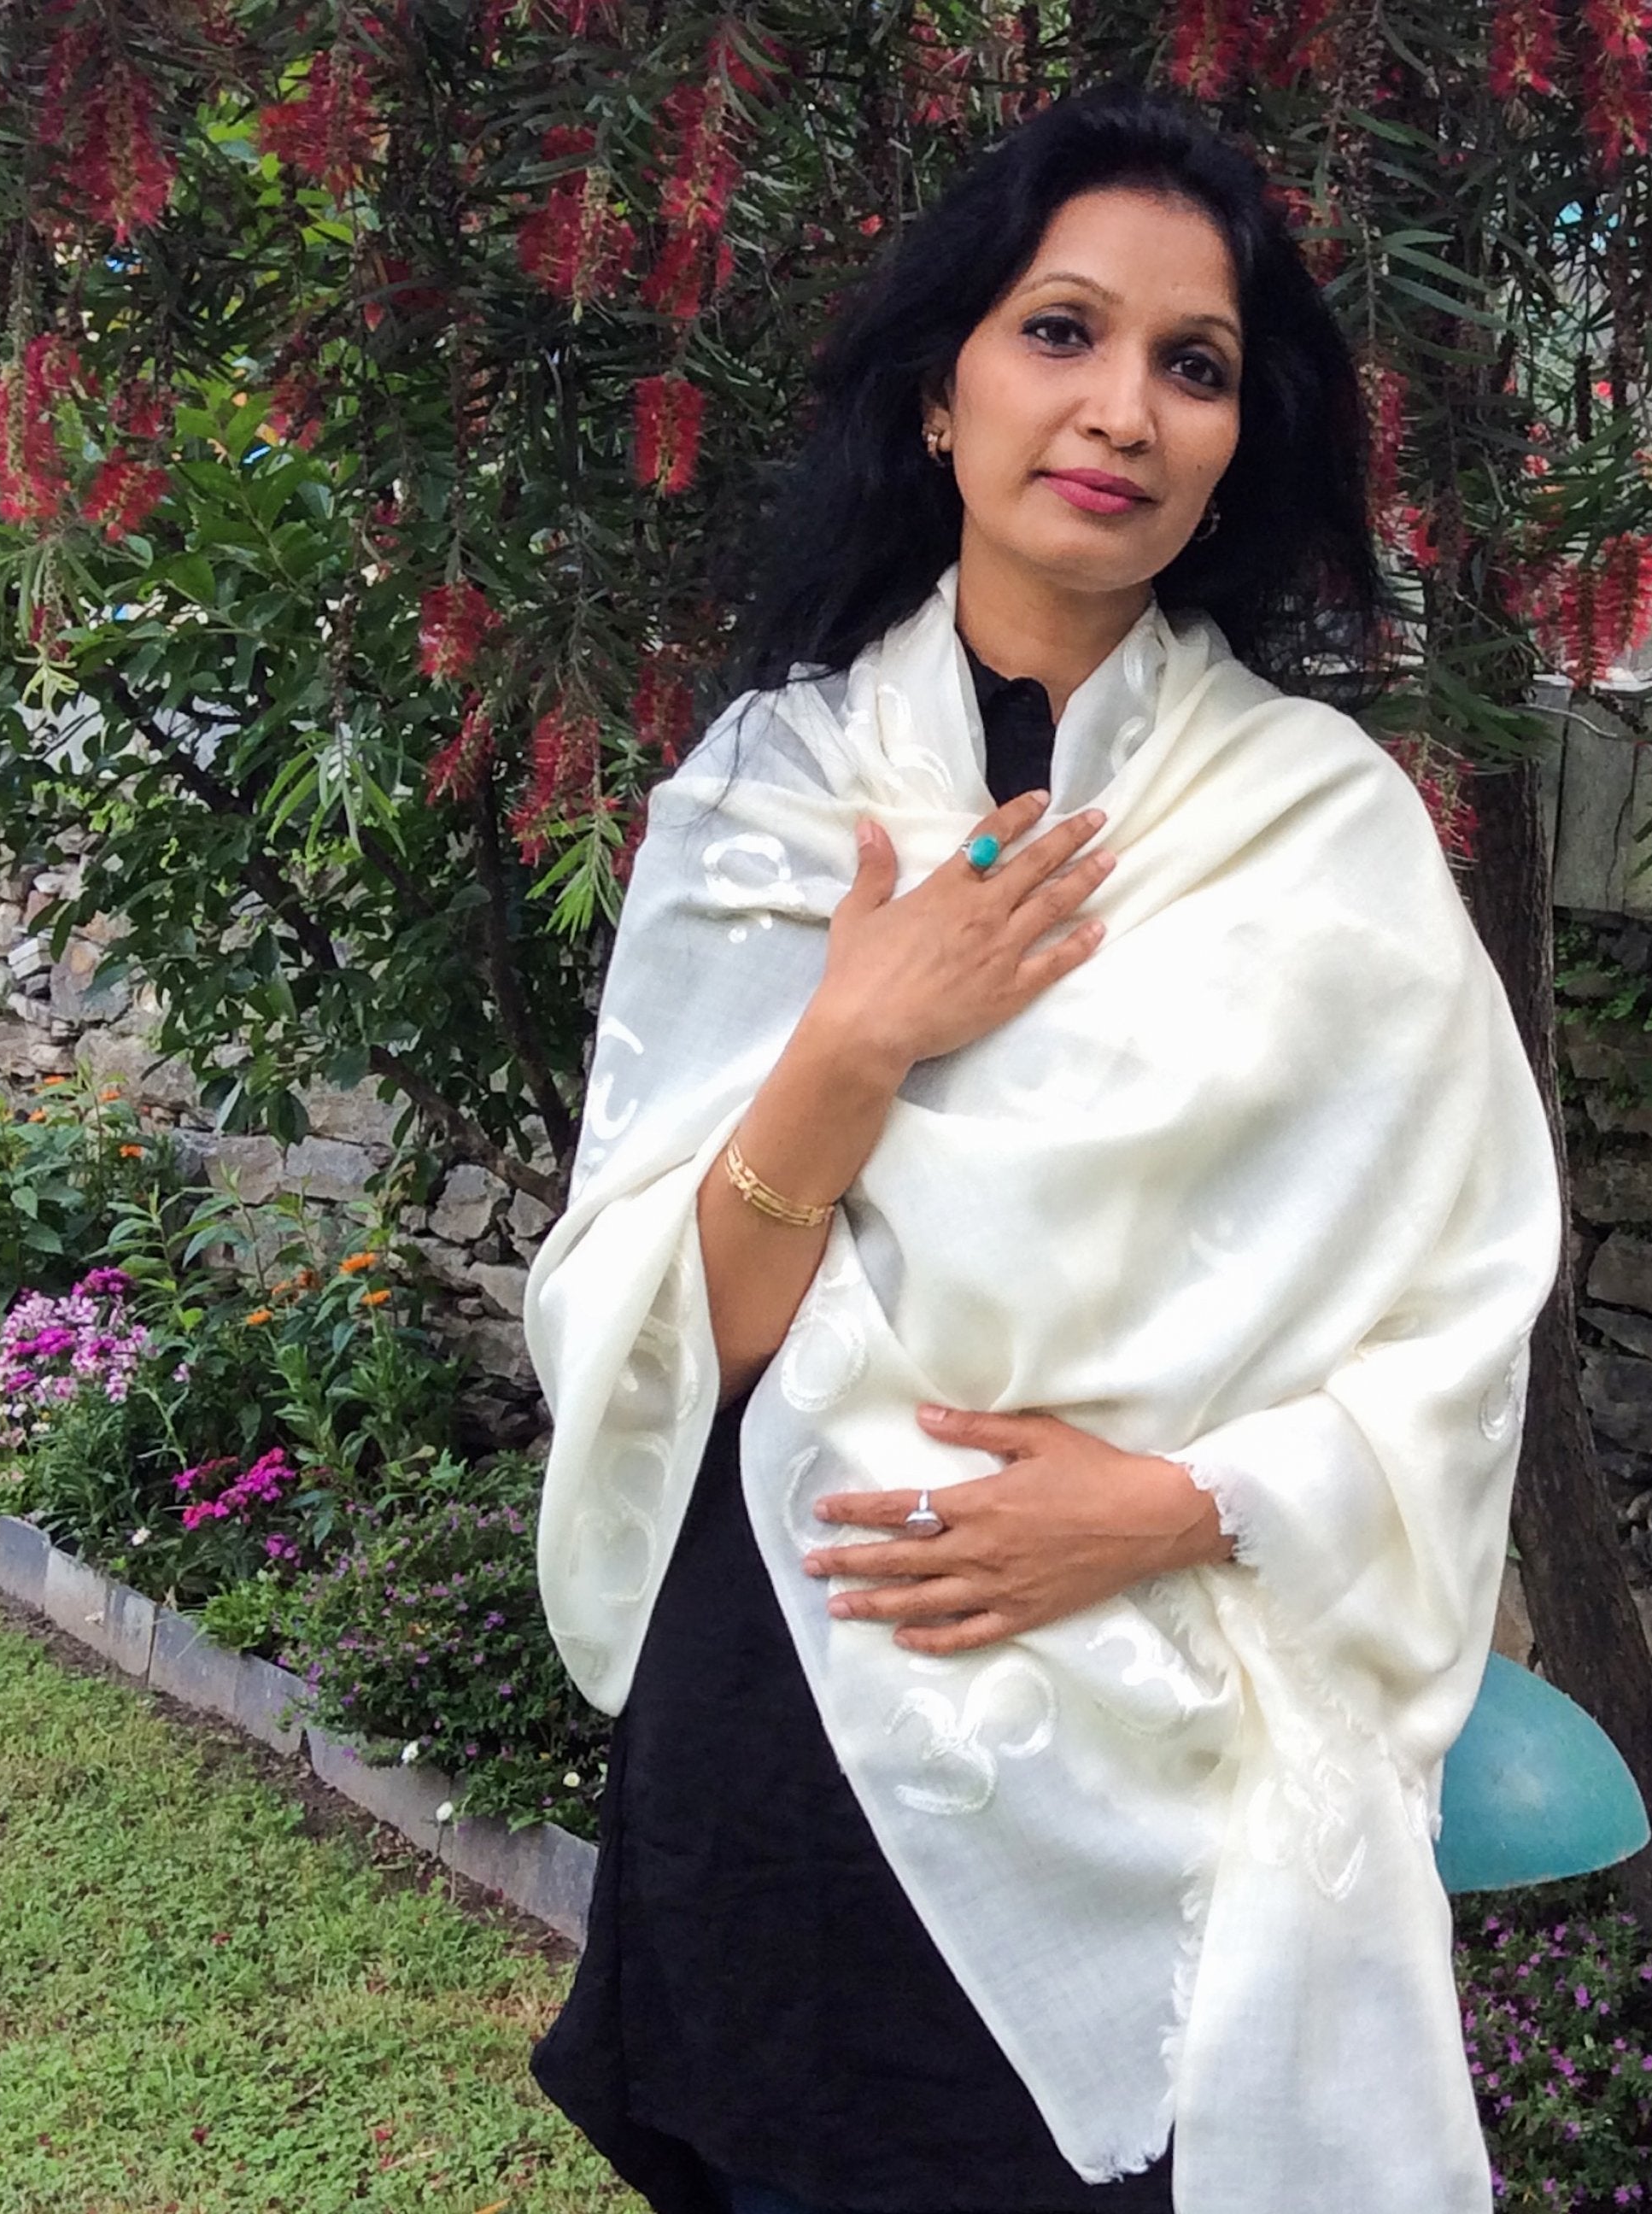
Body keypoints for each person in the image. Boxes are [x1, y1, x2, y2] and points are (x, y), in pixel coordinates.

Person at [521, 83, 1561, 2214]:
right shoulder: (772, 797)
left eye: (1192, 367)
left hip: (1170, 1740)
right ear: (940, 391)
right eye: (1061, 331)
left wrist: (1182, 1503)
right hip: (795, 1701)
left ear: (1233, 445)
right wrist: (858, 1035)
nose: (1121, 409)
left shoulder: (1322, 824)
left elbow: (1465, 1307)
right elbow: (670, 1333)